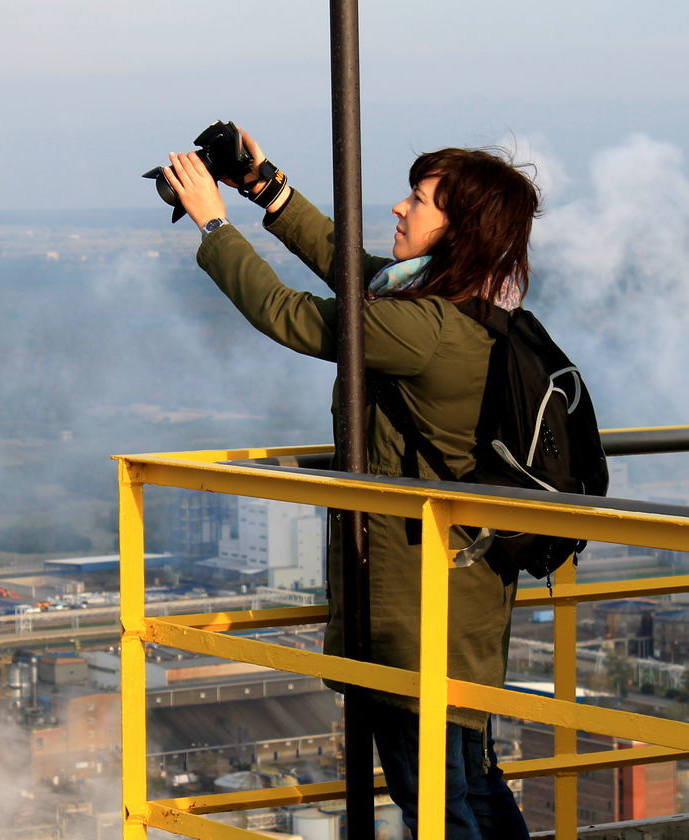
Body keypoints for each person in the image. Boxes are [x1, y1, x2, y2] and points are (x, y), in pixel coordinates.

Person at [161, 130, 536, 840]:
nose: (399, 207)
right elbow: (359, 272)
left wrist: (214, 223)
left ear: (460, 231)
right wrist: (268, 188)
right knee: (472, 784)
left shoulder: (421, 328)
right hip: (464, 599)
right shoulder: (464, 313)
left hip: (414, 610)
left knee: (437, 803)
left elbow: (289, 314)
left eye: (419, 200)